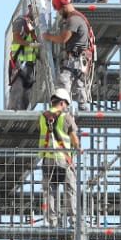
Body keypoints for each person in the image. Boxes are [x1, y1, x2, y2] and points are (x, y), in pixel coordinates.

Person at [41, 0, 95, 105]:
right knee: (79, 91)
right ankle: (83, 113)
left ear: (63, 7)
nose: (59, 13)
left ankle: (63, 114)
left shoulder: (73, 19)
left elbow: (63, 38)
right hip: (80, 61)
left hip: (75, 60)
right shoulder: (79, 17)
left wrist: (48, 37)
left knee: (62, 86)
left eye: (59, 10)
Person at [38, 88, 80, 224]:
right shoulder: (66, 117)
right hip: (63, 160)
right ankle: (73, 219)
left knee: (50, 191)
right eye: (66, 105)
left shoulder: (42, 117)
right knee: (70, 188)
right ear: (62, 103)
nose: (66, 108)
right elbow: (74, 139)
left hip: (47, 159)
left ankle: (53, 221)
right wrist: (78, 149)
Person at [7, 12, 39, 111]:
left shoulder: (36, 25)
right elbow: (17, 38)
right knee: (17, 91)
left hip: (30, 65)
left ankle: (22, 114)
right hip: (19, 63)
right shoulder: (21, 21)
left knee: (26, 96)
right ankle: (12, 115)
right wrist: (30, 44)